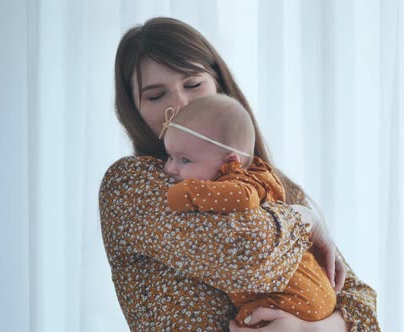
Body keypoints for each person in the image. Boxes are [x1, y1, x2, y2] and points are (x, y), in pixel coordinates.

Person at [100, 16, 380, 331]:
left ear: (218, 84)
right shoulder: (132, 184)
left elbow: (359, 296)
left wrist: (312, 329)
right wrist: (306, 219)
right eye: (156, 96)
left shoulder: (274, 182)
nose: (180, 104)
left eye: (193, 84)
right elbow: (249, 258)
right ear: (134, 110)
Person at [159, 94, 337, 328]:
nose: (169, 168)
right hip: (310, 296)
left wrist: (178, 195)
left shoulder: (241, 183)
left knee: (244, 324)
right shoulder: (255, 177)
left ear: (230, 160)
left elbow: (240, 197)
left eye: (184, 161)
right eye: (170, 157)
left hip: (296, 299)